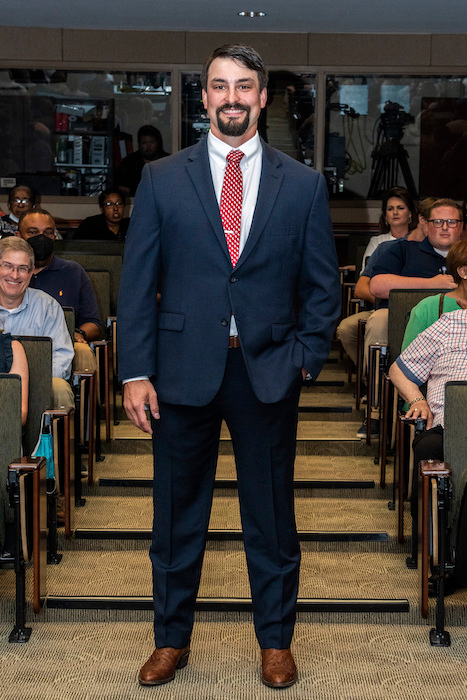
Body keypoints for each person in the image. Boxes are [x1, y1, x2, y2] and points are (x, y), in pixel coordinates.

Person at [117, 44, 340, 689]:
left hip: (267, 371)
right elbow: (137, 285)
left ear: (263, 98)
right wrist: (135, 372)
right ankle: (170, 637)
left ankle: (275, 639)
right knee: (175, 512)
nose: (233, 97)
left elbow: (323, 288)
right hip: (180, 372)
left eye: (245, 86)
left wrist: (305, 359)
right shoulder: (161, 179)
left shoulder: (301, 185)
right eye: (220, 86)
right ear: (205, 97)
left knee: (270, 516)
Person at [18, 209, 101, 372]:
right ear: (19, 235)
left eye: (48, 233)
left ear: (55, 236)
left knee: (83, 351)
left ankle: (81, 396)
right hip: (15, 345)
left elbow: (94, 324)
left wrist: (76, 333)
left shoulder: (73, 272)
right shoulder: (9, 275)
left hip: (60, 347)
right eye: (33, 232)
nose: (41, 238)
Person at [0, 237, 74, 409]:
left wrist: (29, 382)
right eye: (8, 266)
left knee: (60, 389)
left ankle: (52, 437)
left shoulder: (48, 306)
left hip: (38, 382)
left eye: (22, 269)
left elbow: (61, 357)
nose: (14, 275)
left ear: (32, 271)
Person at [116, 125, 169, 196]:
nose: (148, 147)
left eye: (151, 142)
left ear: (158, 143)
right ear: (139, 144)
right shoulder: (129, 162)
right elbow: (122, 188)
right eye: (144, 143)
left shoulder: (167, 161)